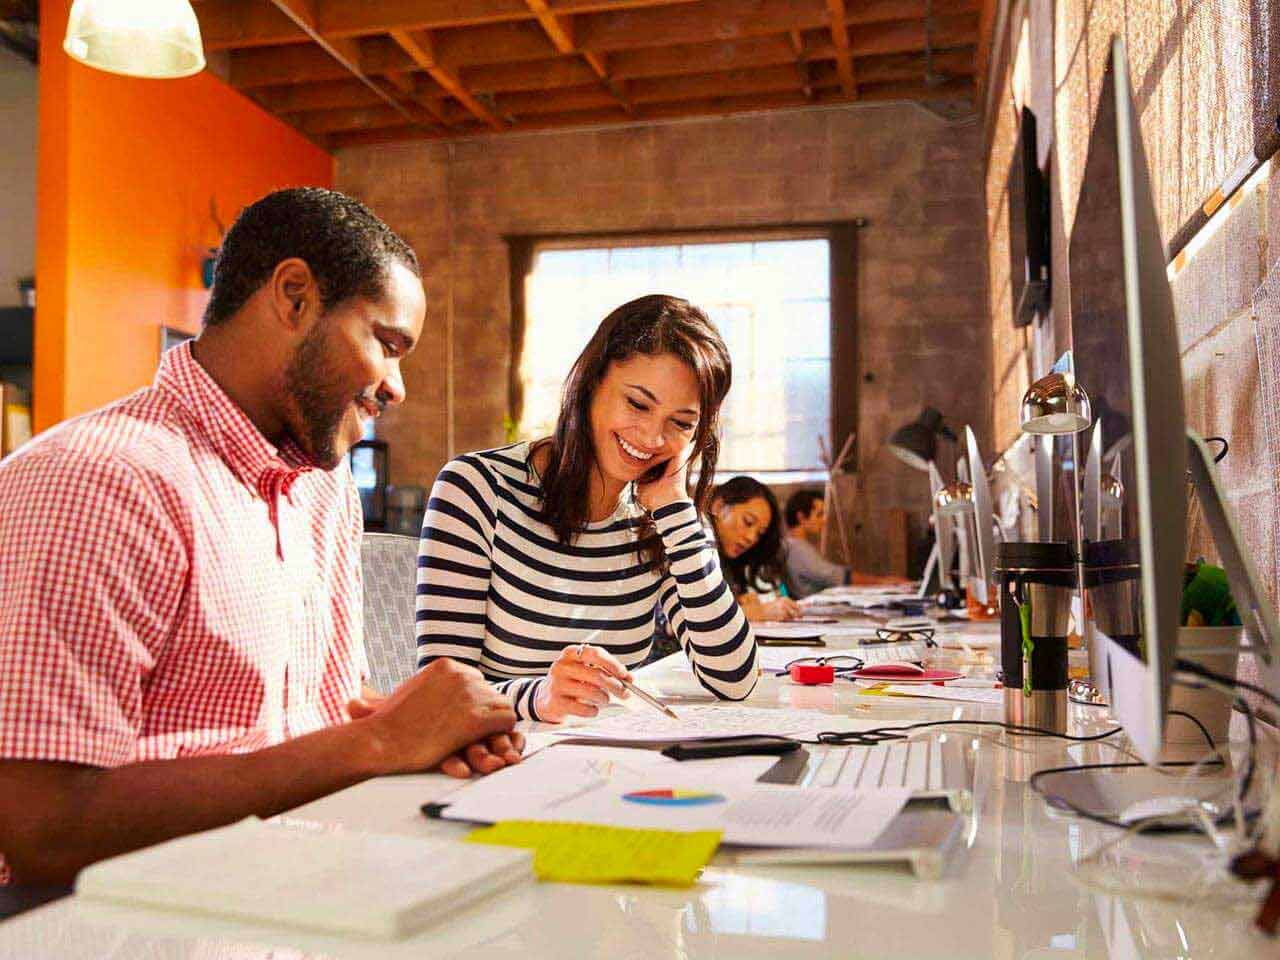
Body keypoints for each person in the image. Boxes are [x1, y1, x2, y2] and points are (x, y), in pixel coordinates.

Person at [0, 189, 521, 887]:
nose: (396, 386)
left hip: (294, 883)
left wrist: (414, 724)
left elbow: (324, 704)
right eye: (386, 344)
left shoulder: (321, 484)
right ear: (295, 296)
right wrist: (376, 741)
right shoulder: (92, 481)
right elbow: (42, 830)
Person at [416, 295, 758, 722]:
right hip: (501, 763)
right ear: (591, 382)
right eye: (637, 404)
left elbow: (735, 679)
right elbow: (439, 692)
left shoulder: (669, 518)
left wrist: (675, 511)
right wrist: (540, 699)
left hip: (612, 764)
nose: (652, 438)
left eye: (681, 423)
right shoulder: (478, 487)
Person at [782, 489, 911, 598]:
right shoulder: (797, 548)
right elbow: (834, 576)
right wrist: (882, 582)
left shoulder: (794, 545)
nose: (824, 520)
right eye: (819, 515)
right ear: (801, 517)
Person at [709, 476, 802, 622]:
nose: (751, 538)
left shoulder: (728, 563)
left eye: (760, 534)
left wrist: (738, 603)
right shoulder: (691, 545)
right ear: (719, 506)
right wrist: (754, 613)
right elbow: (678, 621)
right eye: (748, 522)